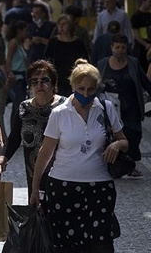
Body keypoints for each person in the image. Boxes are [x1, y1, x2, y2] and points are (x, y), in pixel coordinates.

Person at [30, 59, 128, 253]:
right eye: (81, 88)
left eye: (91, 90)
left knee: (102, 243)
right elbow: (45, 152)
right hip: (63, 186)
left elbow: (124, 141)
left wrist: (117, 144)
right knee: (67, 246)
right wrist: (35, 189)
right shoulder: (59, 113)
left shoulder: (106, 108)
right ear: (73, 86)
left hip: (99, 187)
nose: (85, 94)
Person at [0, 60, 65, 197]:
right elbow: (14, 139)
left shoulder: (64, 107)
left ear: (53, 84)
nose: (39, 85)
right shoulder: (24, 108)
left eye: (44, 80)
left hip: (61, 174)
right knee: (37, 213)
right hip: (33, 175)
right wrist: (1, 160)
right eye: (34, 81)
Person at [97, 34, 151, 178]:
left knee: (133, 134)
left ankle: (131, 165)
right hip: (110, 107)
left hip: (131, 106)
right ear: (112, 47)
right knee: (112, 135)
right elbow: (95, 83)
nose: (120, 50)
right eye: (117, 47)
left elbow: (145, 82)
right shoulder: (102, 64)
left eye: (123, 47)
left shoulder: (133, 63)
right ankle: (113, 164)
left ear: (127, 48)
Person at [44, 14, 89, 97]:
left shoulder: (78, 43)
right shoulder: (53, 42)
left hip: (74, 79)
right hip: (57, 79)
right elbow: (46, 60)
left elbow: (85, 62)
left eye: (64, 24)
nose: (61, 27)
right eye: (59, 24)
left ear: (71, 26)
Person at [5, 20, 29, 125]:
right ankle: (15, 129)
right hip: (16, 77)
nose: (27, 33)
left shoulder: (20, 44)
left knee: (18, 105)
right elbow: (9, 58)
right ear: (19, 31)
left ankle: (15, 129)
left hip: (22, 77)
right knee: (18, 104)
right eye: (25, 31)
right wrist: (10, 73)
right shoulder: (13, 42)